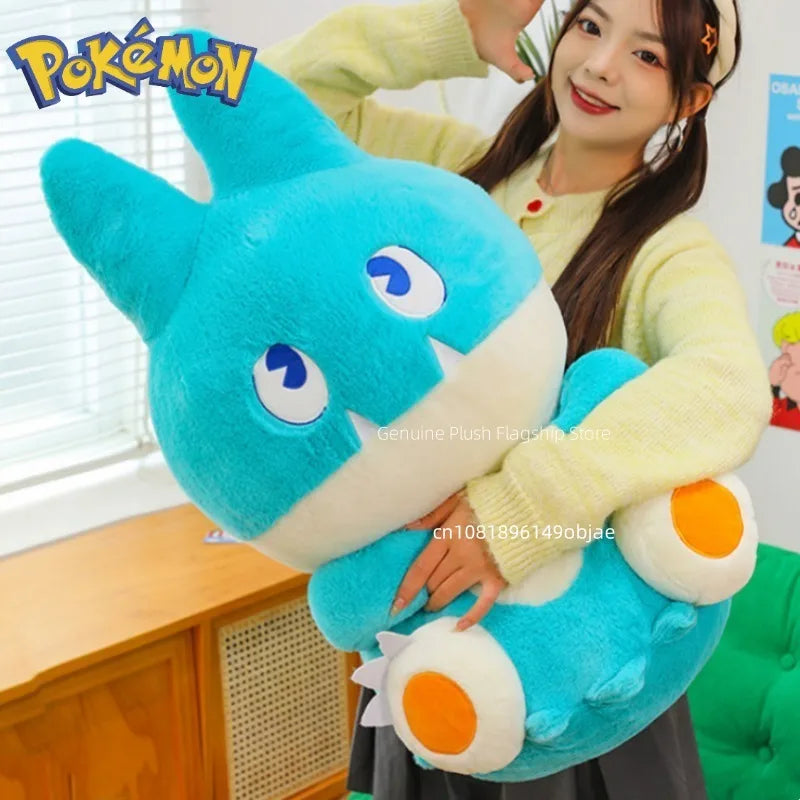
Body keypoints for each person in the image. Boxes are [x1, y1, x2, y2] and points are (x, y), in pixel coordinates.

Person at [259, 0, 772, 797]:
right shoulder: (455, 177)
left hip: (570, 676)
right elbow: (273, 103)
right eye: (591, 26)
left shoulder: (667, 252)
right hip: (425, 646)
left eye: (648, 57)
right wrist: (455, 28)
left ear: (688, 101)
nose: (600, 65)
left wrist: (517, 511)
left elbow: (728, 386)